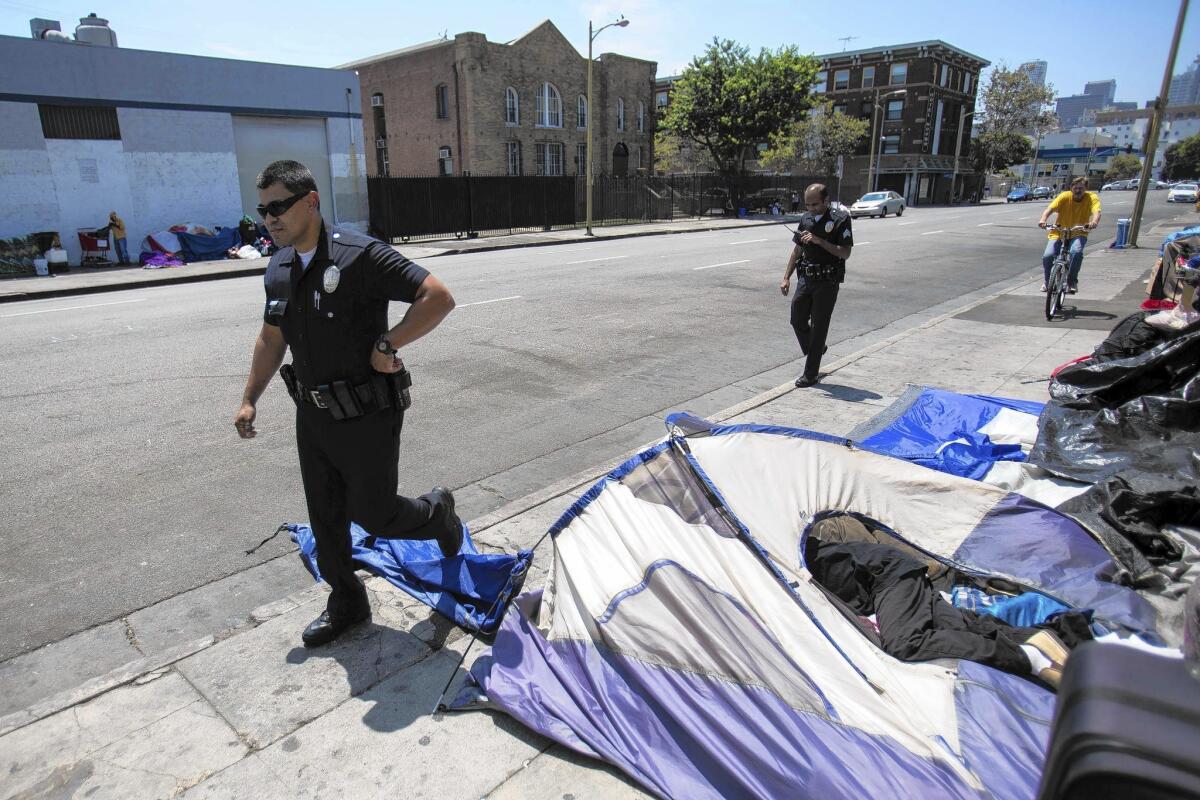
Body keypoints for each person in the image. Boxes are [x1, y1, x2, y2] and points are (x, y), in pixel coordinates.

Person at [235, 160, 461, 648]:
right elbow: (272, 338)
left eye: (279, 206)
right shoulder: (278, 268)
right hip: (312, 412)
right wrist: (250, 398)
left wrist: (388, 344)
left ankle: (437, 513)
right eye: (262, 210)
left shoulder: (358, 255)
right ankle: (347, 599)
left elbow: (437, 297)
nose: (269, 218)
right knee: (325, 512)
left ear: (311, 202)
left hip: (367, 412)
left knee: (374, 514)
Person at [779, 183, 852, 388]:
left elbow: (845, 252)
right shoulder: (806, 219)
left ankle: (810, 374)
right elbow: (797, 251)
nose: (811, 209)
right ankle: (817, 348)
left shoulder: (840, 219)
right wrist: (786, 277)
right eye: (808, 205)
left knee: (819, 328)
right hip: (806, 278)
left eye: (815, 204)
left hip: (827, 281)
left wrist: (820, 241)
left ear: (826, 201)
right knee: (797, 318)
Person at [1037, 176, 1101, 294]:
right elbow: (1049, 209)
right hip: (1059, 231)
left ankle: (1072, 282)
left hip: (1078, 231)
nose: (1077, 191)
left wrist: (1094, 222)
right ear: (1071, 188)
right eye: (1075, 188)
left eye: (1081, 188)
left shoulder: (1091, 198)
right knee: (1048, 256)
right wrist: (1043, 220)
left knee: (1076, 252)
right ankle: (1047, 282)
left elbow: (1096, 211)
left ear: (1086, 189)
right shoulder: (1065, 196)